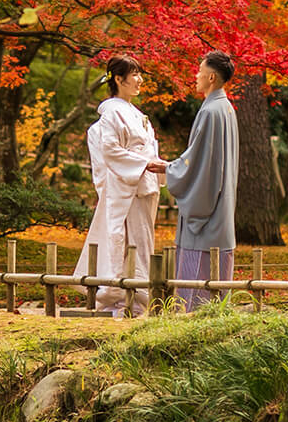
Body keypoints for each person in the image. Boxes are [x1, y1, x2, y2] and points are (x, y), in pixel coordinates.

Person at [73, 54, 167, 317]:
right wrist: (143, 164)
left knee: (142, 242)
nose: (139, 80)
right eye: (134, 74)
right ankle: (119, 296)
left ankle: (139, 298)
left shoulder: (137, 113)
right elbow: (110, 150)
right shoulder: (112, 112)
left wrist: (155, 165)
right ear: (118, 79)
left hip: (143, 184)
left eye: (140, 74)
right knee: (123, 241)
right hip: (128, 185)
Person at [166, 50, 239, 311]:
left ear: (211, 77)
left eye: (199, 71)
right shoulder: (225, 109)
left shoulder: (210, 112)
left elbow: (199, 165)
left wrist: (168, 169)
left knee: (195, 299)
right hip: (222, 213)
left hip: (206, 221)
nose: (195, 76)